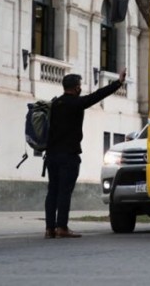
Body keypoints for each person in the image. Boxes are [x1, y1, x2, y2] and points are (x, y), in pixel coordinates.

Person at [45, 69, 126, 239]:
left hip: (51, 155)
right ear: (75, 88)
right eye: (79, 86)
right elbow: (98, 95)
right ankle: (62, 227)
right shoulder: (76, 103)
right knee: (64, 192)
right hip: (68, 156)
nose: (80, 89)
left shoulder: (54, 105)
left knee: (52, 191)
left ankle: (49, 229)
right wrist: (118, 83)